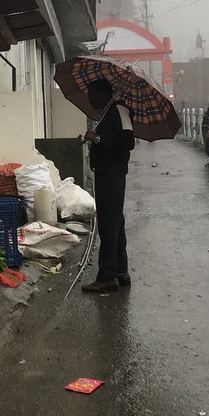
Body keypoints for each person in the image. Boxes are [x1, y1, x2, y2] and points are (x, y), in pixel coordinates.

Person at [78, 78, 135, 292]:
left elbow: (128, 142)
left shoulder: (119, 110)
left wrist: (98, 139)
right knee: (116, 222)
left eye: (91, 95)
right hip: (107, 173)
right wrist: (91, 139)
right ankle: (120, 271)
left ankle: (107, 276)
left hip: (112, 175)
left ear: (102, 94)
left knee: (108, 225)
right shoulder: (107, 112)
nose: (89, 99)